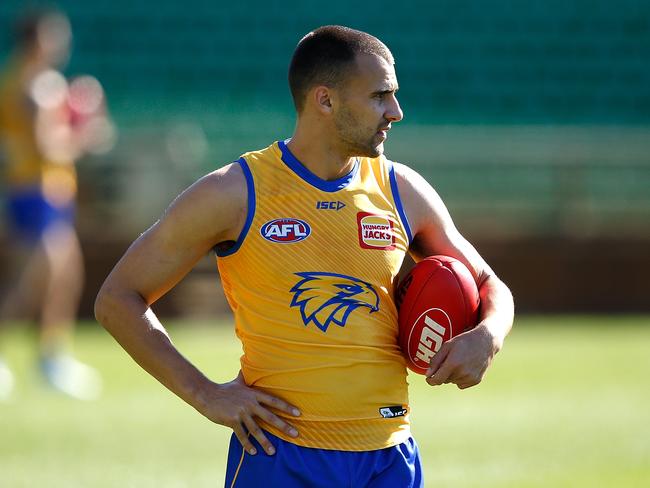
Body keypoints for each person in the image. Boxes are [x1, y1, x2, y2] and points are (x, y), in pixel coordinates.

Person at [95, 25, 514, 487]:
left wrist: (487, 335)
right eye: (380, 96)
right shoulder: (234, 192)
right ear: (325, 100)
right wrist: (204, 393)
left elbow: (490, 284)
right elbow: (118, 298)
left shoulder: (403, 190)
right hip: (280, 456)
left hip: (389, 458)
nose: (396, 111)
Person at [0, 9, 107, 401]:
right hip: (33, 192)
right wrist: (88, 131)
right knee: (30, 280)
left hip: (52, 192)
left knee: (65, 275)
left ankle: (52, 358)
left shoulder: (35, 82)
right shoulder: (32, 86)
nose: (62, 43)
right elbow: (48, 147)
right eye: (54, 35)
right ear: (37, 39)